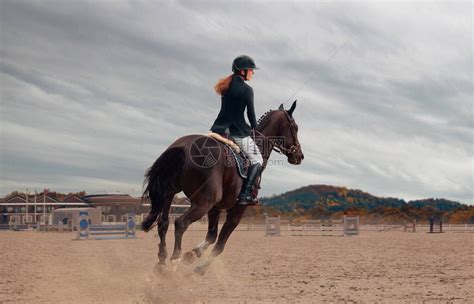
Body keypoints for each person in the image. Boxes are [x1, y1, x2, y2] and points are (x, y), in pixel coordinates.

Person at [210, 55, 264, 205]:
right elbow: (251, 115)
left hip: (218, 129)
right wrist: (255, 129)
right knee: (257, 159)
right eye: (251, 70)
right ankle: (244, 195)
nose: (253, 72)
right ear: (242, 71)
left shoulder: (225, 87)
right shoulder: (247, 90)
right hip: (237, 132)